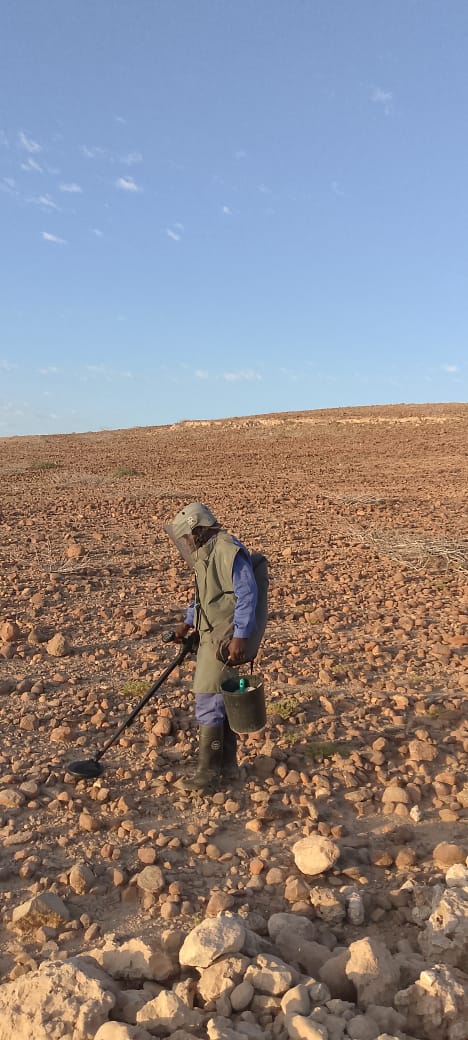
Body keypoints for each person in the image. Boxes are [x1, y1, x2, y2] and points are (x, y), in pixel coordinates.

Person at [164, 502, 265, 794]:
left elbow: (247, 595)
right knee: (220, 698)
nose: (186, 544)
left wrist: (240, 636)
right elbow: (204, 596)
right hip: (212, 633)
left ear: (197, 529)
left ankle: (207, 773)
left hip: (225, 636)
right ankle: (228, 767)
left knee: (208, 697)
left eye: (187, 537)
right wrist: (186, 624)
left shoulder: (226, 550)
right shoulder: (207, 553)